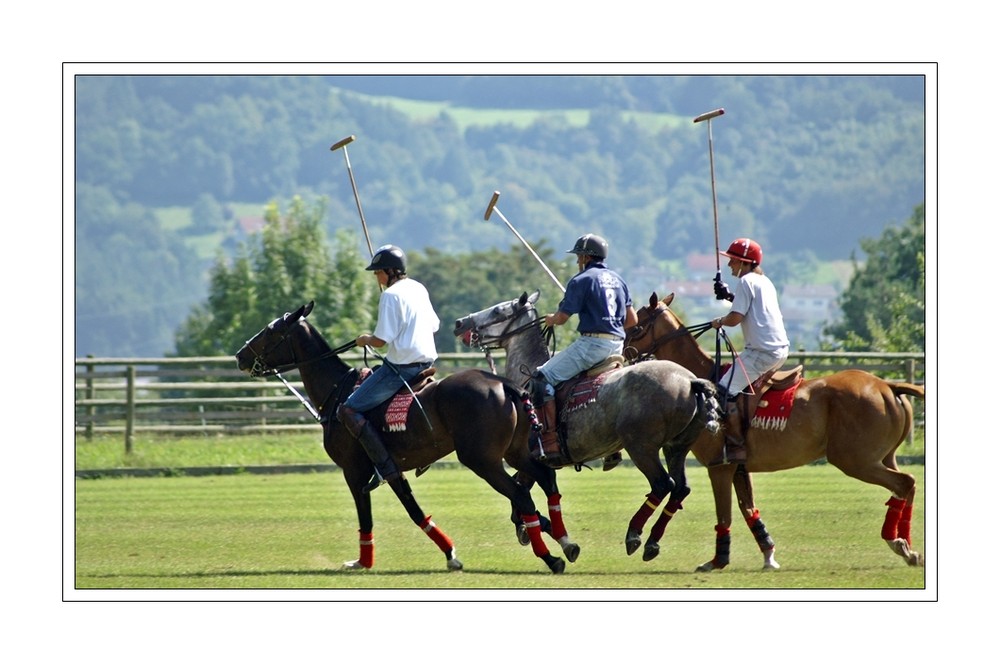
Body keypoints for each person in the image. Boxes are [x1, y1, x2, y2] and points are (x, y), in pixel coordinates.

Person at [336, 244, 440, 493]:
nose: (376, 277)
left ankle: (384, 466)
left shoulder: (390, 296)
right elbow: (434, 325)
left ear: (390, 272)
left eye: (378, 272)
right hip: (427, 364)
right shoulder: (418, 288)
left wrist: (365, 339)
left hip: (401, 369)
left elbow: (381, 341)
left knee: (349, 409)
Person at [531, 233, 638, 468]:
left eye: (579, 255)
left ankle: (548, 440)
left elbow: (561, 318)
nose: (578, 260)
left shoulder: (581, 280)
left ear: (587, 256)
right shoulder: (618, 280)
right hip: (617, 344)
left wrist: (550, 319)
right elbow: (632, 320)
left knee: (541, 377)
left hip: (592, 345)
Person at [710, 237, 790, 465]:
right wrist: (728, 297)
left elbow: (736, 318)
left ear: (745, 262)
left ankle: (735, 447)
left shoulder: (746, 282)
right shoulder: (764, 281)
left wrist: (719, 321)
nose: (729, 265)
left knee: (722, 391)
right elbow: (749, 306)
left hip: (762, 352)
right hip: (779, 349)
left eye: (733, 260)